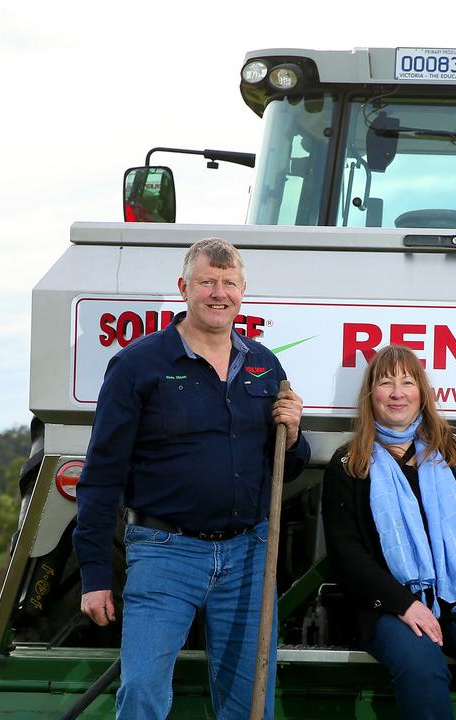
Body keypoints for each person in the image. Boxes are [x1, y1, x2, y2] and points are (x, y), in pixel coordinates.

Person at [73, 237, 311, 720]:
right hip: (165, 553)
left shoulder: (265, 366)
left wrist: (293, 434)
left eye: (228, 283)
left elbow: (291, 464)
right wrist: (95, 574)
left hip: (248, 554)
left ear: (243, 291)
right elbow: (100, 474)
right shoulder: (138, 365)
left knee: (249, 702)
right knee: (141, 690)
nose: (218, 293)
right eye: (207, 282)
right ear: (183, 288)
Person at [323, 344, 456, 720]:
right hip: (391, 608)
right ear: (371, 395)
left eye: (407, 382)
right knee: (423, 669)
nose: (398, 393)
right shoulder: (349, 463)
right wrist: (403, 604)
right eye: (386, 383)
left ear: (422, 392)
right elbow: (347, 554)